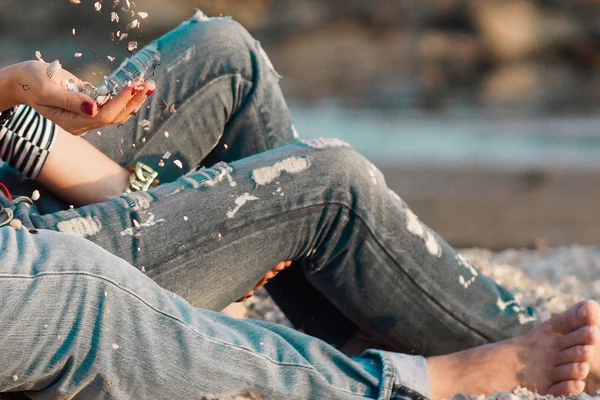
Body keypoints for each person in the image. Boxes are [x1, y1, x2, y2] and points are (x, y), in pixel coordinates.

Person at [0, 10, 599, 399]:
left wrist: (20, 98)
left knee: (224, 51)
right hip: (29, 263)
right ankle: (531, 345)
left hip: (21, 199)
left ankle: (352, 334)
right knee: (328, 183)